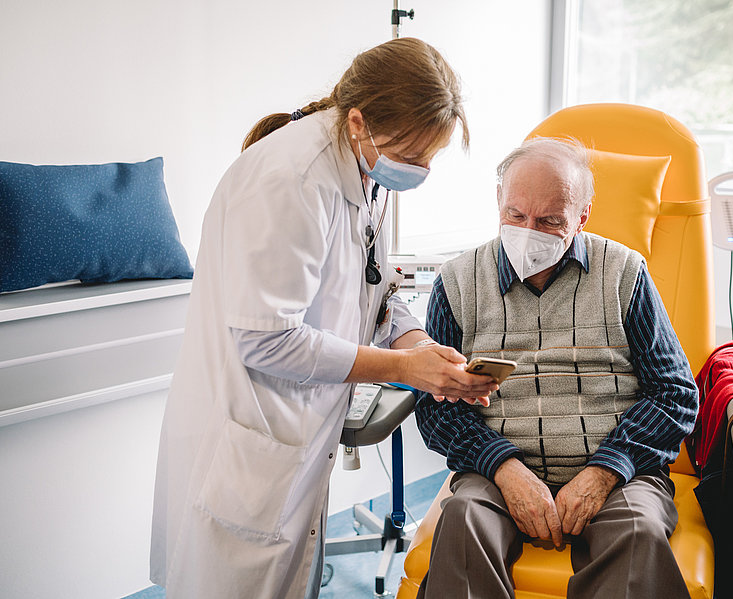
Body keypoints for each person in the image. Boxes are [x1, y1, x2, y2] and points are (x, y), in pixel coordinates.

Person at [149, 38, 498, 599]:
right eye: (411, 156)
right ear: (359, 122)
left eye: (427, 160)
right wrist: (402, 367)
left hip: (297, 437)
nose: (418, 170)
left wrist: (418, 344)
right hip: (252, 436)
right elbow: (266, 340)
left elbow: (373, 287)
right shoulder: (292, 180)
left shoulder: (363, 172)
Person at [414, 138, 700, 598]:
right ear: (499, 204)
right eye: (516, 215)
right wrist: (504, 468)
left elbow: (674, 393)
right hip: (495, 474)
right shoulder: (457, 282)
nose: (529, 232)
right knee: (464, 520)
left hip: (616, 474)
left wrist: (604, 470)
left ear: (583, 215)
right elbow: (436, 406)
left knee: (637, 534)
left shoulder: (625, 273)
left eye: (549, 221)